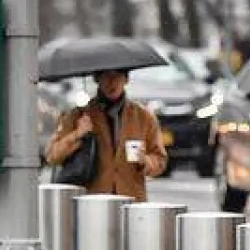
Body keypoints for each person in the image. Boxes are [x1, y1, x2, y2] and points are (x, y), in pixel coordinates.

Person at [45, 69, 167, 200]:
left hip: (131, 202)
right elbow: (52, 155)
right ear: (97, 79)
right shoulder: (79, 115)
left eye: (117, 76)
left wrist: (145, 161)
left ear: (126, 79)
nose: (112, 82)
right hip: (93, 202)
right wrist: (77, 134)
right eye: (106, 76)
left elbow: (160, 160)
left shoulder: (144, 116)